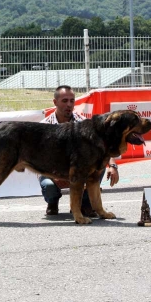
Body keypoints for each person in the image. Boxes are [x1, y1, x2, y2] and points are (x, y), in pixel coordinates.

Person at [39, 85, 119, 216]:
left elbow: (102, 148)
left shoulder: (84, 123)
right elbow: (39, 158)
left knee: (100, 166)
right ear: (55, 102)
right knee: (48, 186)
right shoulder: (43, 126)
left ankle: (84, 204)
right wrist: (55, 176)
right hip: (52, 172)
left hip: (78, 170)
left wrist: (113, 166)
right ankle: (52, 202)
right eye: (64, 101)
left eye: (72, 100)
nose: (69, 105)